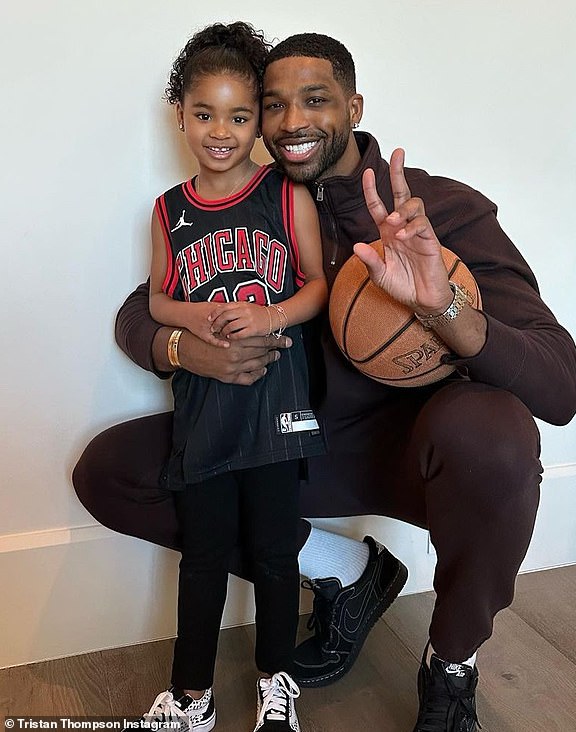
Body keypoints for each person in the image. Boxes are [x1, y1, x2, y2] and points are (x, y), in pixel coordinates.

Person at [73, 32, 576, 732]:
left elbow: (561, 386)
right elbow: (145, 307)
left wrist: (442, 307)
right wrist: (184, 349)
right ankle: (347, 572)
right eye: (272, 105)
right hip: (299, 446)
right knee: (111, 471)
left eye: (314, 100)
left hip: (425, 455)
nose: (291, 123)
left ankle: (451, 662)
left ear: (354, 104)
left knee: (495, 430)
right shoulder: (258, 206)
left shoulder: (438, 210)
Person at [129, 23, 330, 732]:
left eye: (240, 117)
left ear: (258, 125)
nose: (222, 132)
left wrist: (272, 314)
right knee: (204, 554)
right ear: (179, 113)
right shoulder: (167, 209)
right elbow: (155, 300)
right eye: (205, 114)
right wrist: (202, 317)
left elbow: (317, 286)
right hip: (206, 413)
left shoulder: (283, 197)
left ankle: (276, 683)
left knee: (276, 553)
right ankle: (192, 695)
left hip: (275, 410)